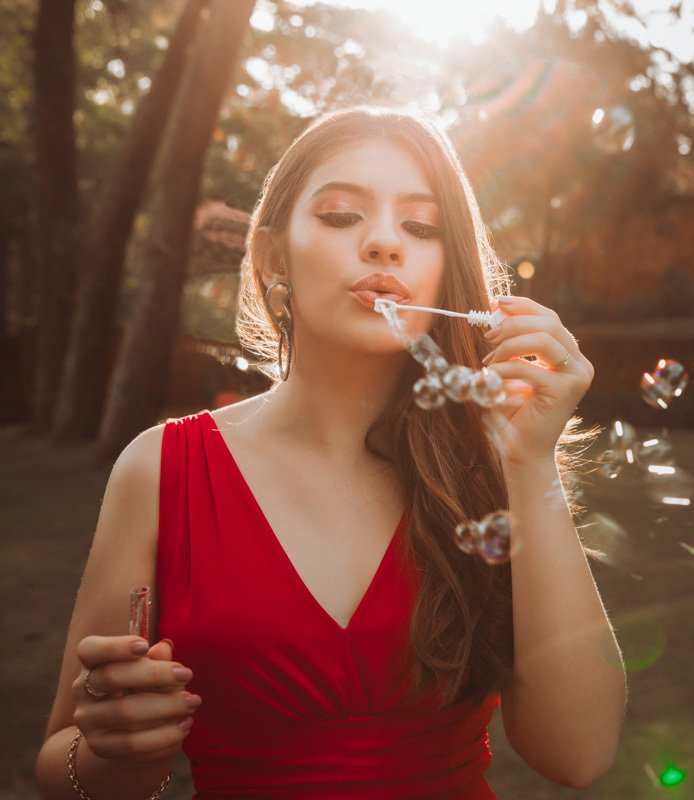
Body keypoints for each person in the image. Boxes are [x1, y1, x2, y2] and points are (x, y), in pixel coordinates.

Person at [36, 107, 627, 798]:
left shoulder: (488, 472)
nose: (383, 244)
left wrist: (529, 467)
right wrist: (117, 757)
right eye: (343, 215)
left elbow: (579, 757)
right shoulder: (161, 469)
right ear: (272, 258)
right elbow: (60, 764)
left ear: (448, 271)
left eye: (421, 226)